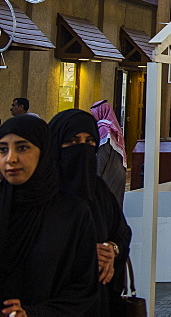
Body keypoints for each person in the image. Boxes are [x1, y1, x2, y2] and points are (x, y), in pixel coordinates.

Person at [0, 115, 98, 316]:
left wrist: (33, 313)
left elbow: (84, 287)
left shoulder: (72, 213)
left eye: (22, 148)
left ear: (44, 152)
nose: (10, 158)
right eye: (2, 149)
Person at [49, 109, 132, 316]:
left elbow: (121, 232)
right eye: (73, 142)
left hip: (99, 299)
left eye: (89, 142)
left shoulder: (98, 191)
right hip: (53, 301)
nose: (82, 150)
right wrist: (84, 255)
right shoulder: (43, 193)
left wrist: (111, 250)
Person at [88, 100, 128, 205]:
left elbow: (102, 155)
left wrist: (94, 176)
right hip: (119, 173)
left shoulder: (104, 129)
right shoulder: (113, 127)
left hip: (108, 173)